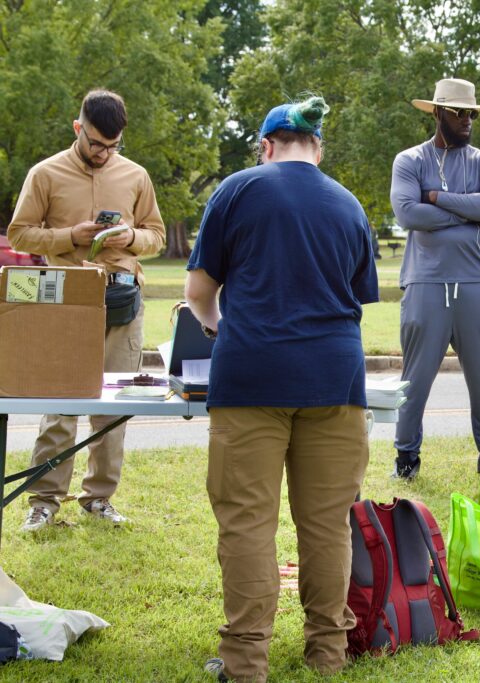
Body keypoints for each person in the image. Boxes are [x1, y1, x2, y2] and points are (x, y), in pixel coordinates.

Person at [185, 96, 379, 682]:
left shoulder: (236, 190)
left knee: (247, 522)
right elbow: (357, 295)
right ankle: (328, 654)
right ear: (318, 147)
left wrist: (219, 327)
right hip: (336, 380)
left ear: (266, 146)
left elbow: (199, 293)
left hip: (251, 377)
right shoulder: (348, 204)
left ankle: (245, 662)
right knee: (327, 524)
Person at [7, 89, 165, 531]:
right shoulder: (45, 173)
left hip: (122, 297)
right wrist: (69, 236)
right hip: (66, 301)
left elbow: (155, 235)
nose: (104, 153)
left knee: (114, 406)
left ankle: (99, 498)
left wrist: (131, 238)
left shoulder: (136, 175)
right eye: (96, 143)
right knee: (61, 405)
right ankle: (44, 501)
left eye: (113, 146)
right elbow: (19, 234)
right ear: (78, 128)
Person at [389, 78, 480, 480]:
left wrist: (438, 199)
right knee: (415, 379)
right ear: (438, 112)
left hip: (478, 284)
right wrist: (470, 214)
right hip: (425, 284)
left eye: (472, 113)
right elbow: (408, 213)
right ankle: (406, 458)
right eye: (459, 113)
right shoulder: (410, 160)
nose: (468, 120)